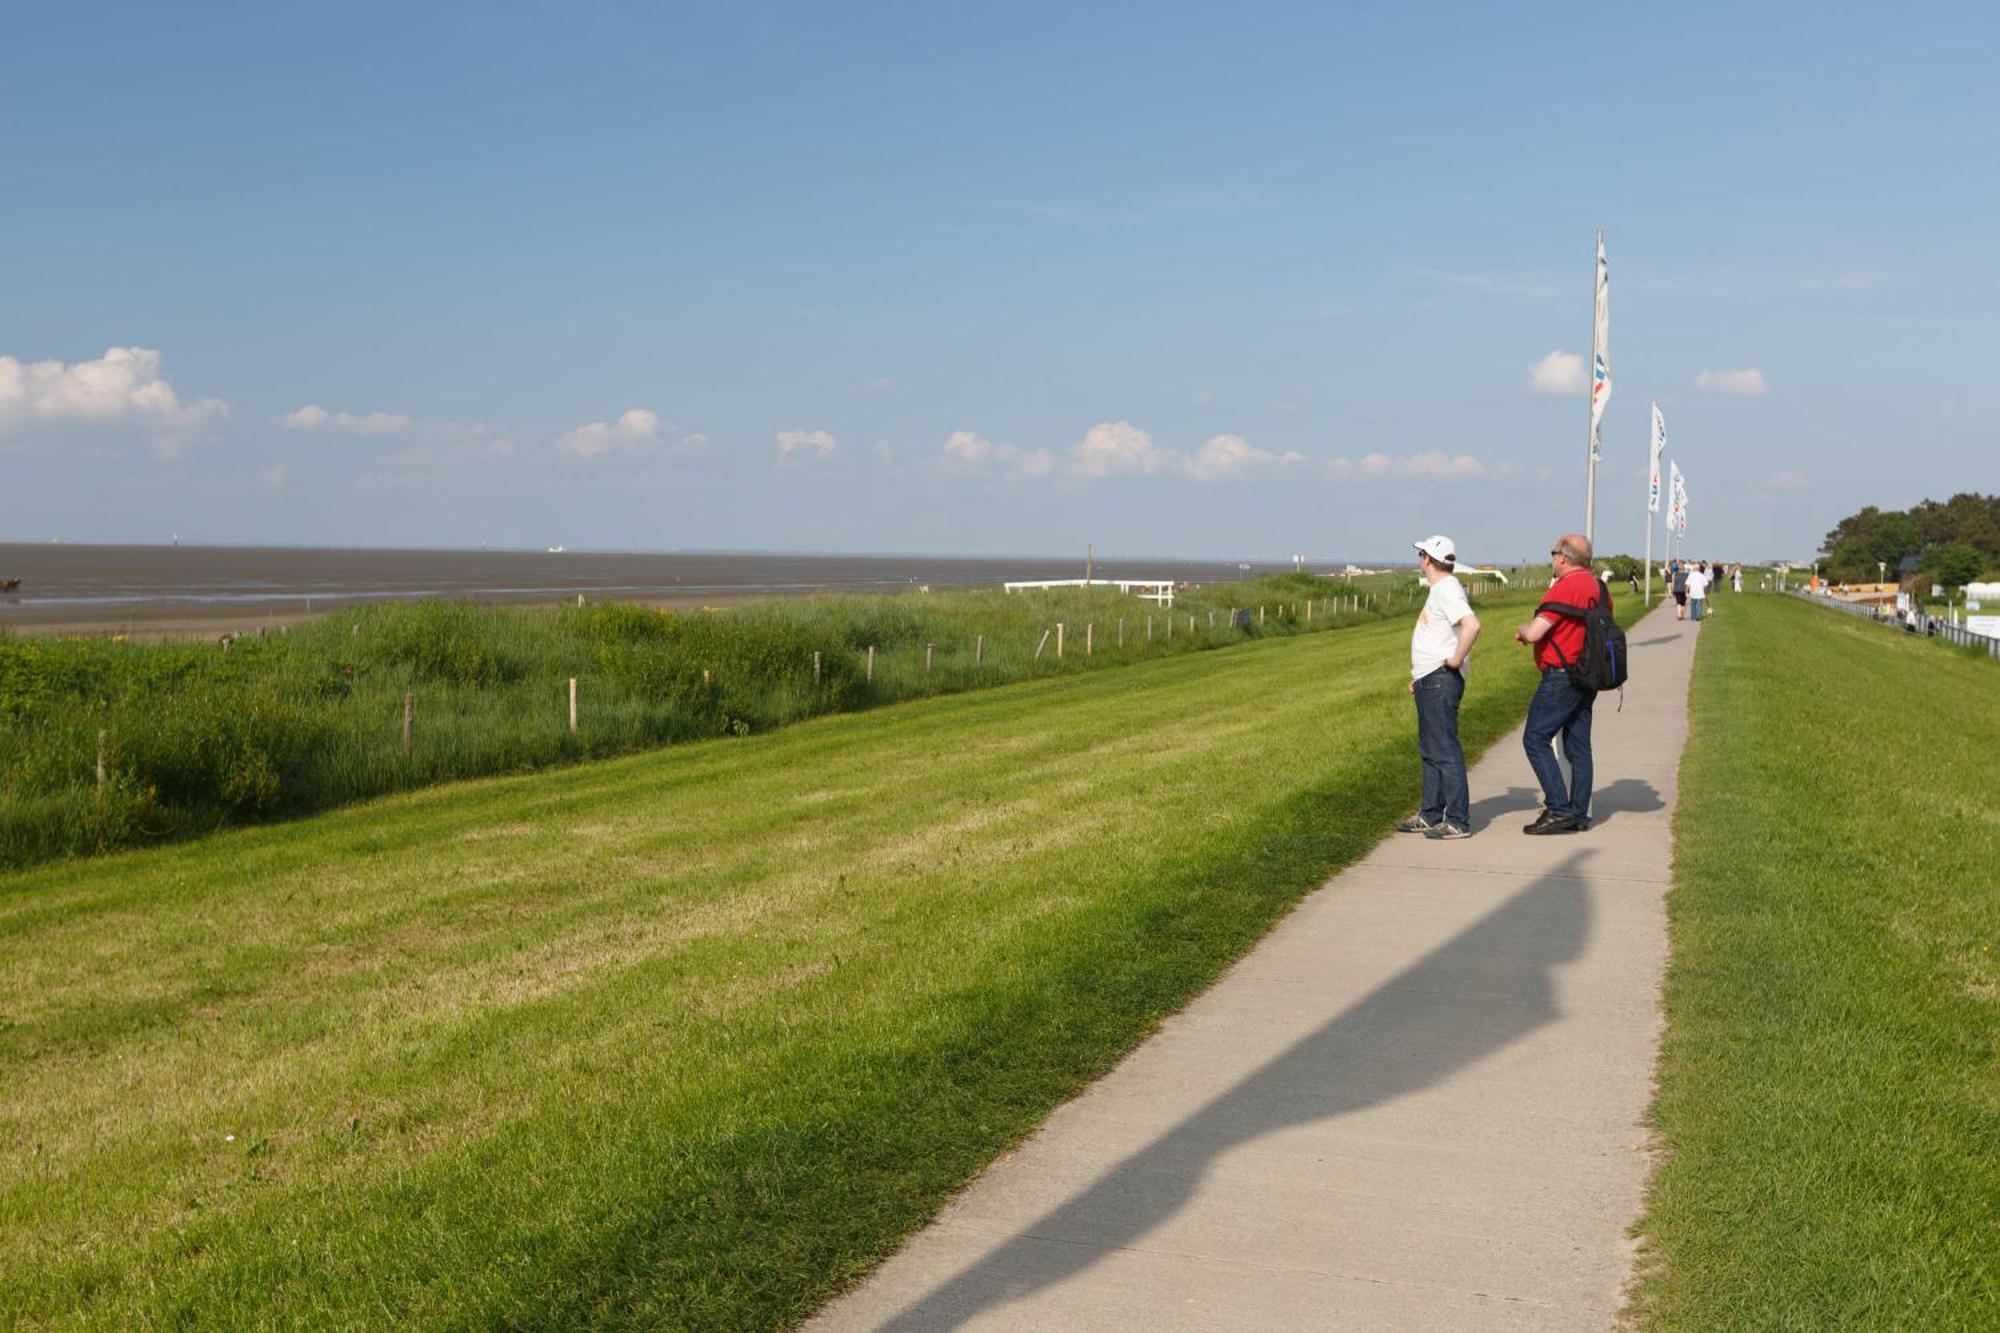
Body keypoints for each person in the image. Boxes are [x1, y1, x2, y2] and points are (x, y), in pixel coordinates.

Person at [1515, 533, 1602, 835]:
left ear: (1563, 558)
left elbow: (1537, 632)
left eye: (1553, 552)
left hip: (1561, 674)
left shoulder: (1565, 587)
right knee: (1579, 747)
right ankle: (1579, 813)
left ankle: (1557, 808)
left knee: (1535, 737)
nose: (1551, 558)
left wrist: (1522, 631)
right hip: (1587, 674)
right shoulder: (1597, 587)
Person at [1396, 534, 1481, 839]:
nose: (1420, 560)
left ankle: (1457, 820)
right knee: (1430, 749)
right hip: (1429, 679)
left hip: (1440, 679)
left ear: (1428, 560)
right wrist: (1420, 676)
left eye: (1421, 555)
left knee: (1444, 749)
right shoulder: (1442, 589)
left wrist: (1456, 660)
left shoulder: (1446, 589)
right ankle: (1431, 813)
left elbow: (1472, 625)